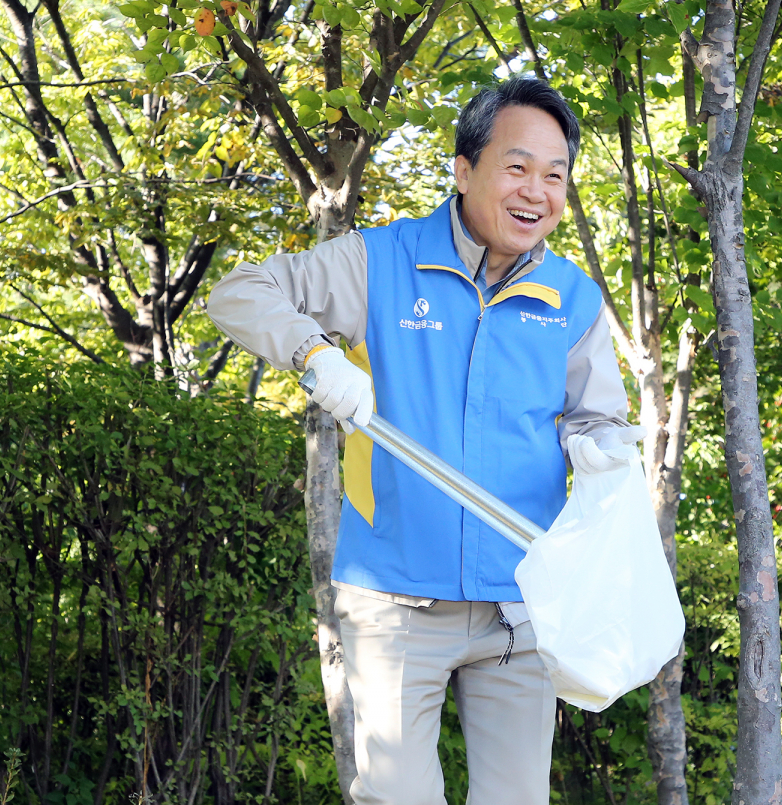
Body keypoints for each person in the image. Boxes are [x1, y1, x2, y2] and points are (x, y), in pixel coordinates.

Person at [207, 77, 642, 805]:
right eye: (517, 167)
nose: (537, 190)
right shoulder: (381, 261)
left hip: (520, 607)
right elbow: (239, 292)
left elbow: (597, 418)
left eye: (555, 174)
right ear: (464, 168)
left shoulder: (571, 298)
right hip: (394, 601)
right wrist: (317, 357)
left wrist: (601, 452)